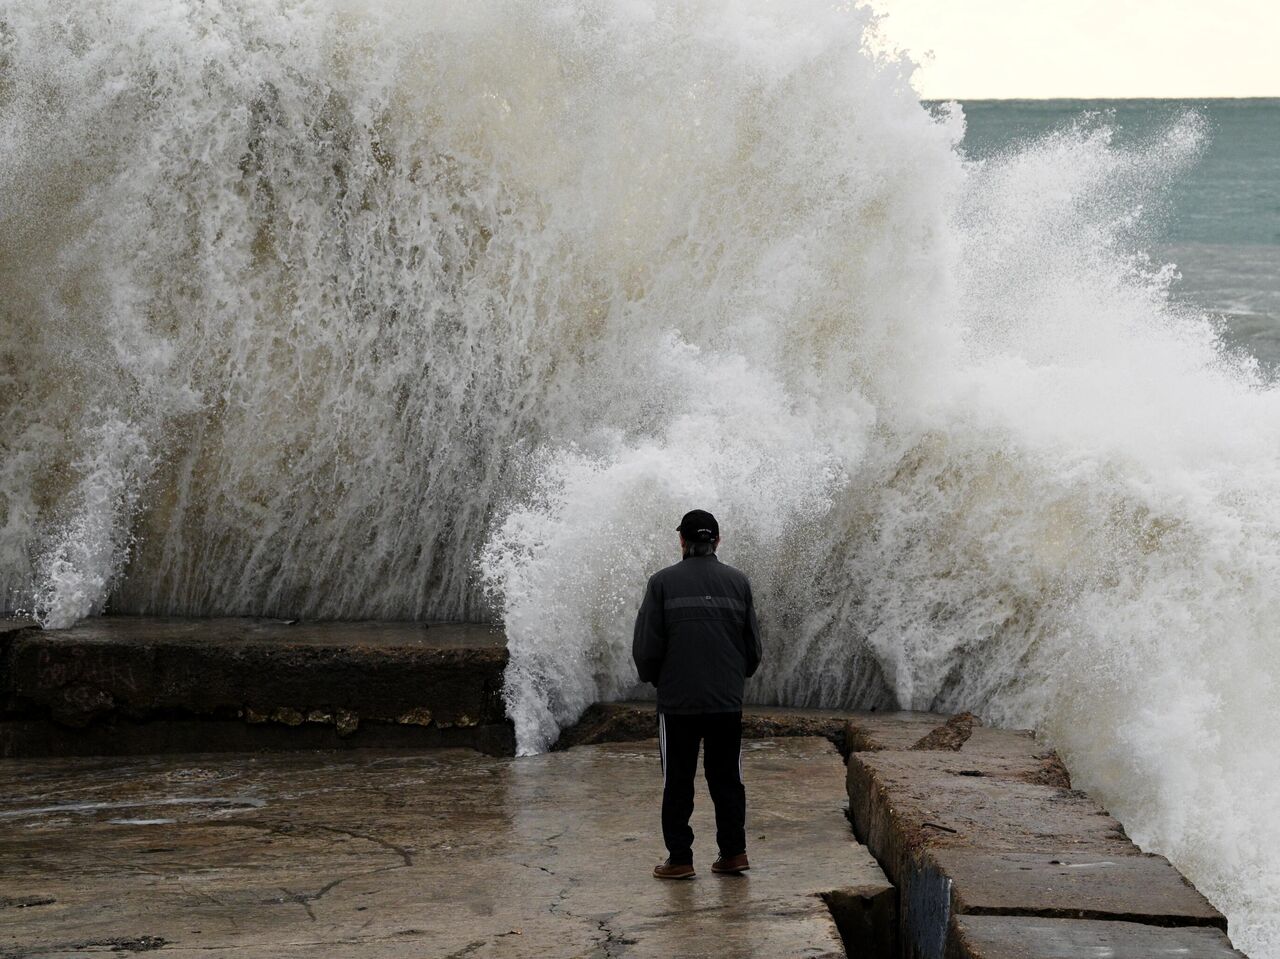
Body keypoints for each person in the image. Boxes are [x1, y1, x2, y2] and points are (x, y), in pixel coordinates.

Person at [632, 509, 763, 880]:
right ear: (717, 541)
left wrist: (656, 679)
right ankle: (734, 853)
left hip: (678, 703)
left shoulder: (661, 583)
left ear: (682, 542)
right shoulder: (739, 583)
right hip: (725, 701)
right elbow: (753, 648)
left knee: (678, 780)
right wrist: (734, 679)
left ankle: (680, 859)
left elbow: (646, 647)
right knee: (727, 778)